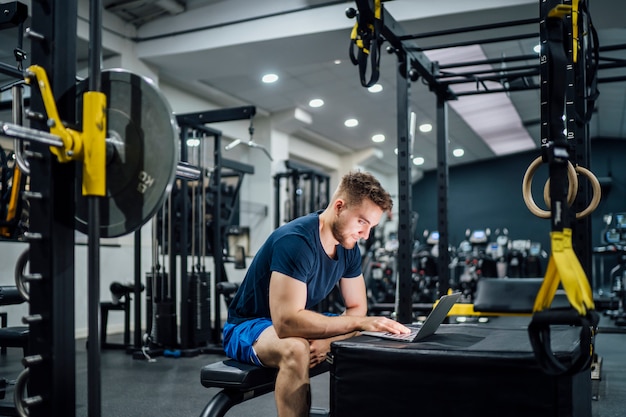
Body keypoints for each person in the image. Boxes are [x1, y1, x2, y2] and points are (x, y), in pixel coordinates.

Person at [223, 170, 410, 417]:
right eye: (362, 222)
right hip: (248, 327)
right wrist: (354, 325)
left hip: (290, 322)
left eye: (371, 227)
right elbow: (287, 322)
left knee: (364, 329)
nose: (365, 235)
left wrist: (328, 341)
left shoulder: (348, 247)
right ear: (340, 206)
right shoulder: (296, 240)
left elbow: (356, 308)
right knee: (296, 348)